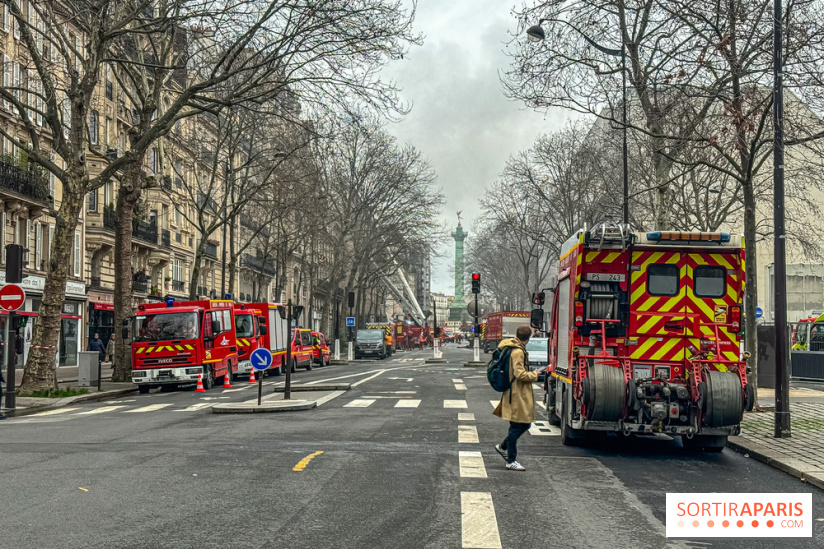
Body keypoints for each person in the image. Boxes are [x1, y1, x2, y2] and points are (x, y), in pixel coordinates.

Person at [493, 325, 538, 471]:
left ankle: (503, 447)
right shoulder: (518, 351)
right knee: (519, 426)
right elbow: (520, 374)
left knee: (521, 425)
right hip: (517, 394)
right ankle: (511, 459)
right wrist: (535, 375)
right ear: (528, 338)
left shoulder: (514, 347)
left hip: (515, 392)